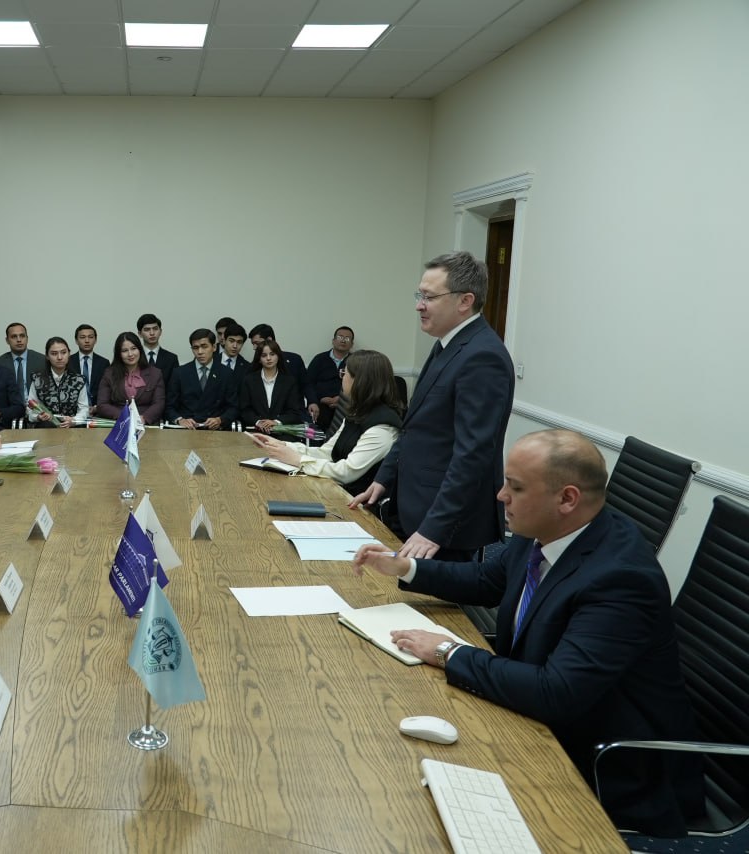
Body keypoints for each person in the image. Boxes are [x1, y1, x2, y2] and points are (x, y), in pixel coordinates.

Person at [351, 430, 704, 837]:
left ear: (566, 499)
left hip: (611, 765)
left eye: (515, 487)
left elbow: (556, 693)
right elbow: (487, 580)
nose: (501, 495)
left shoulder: (621, 579)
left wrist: (449, 652)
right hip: (549, 717)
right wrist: (406, 567)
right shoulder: (546, 532)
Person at [350, 251, 516, 561]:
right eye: (420, 295)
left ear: (465, 301)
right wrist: (383, 479)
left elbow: (473, 453)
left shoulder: (483, 356)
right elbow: (415, 427)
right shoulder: (447, 343)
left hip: (444, 525)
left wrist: (434, 528)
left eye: (429, 297)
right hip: (414, 505)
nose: (419, 305)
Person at [250, 349, 403, 492]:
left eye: (344, 373)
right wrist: (281, 445)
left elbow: (346, 473)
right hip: (337, 490)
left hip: (356, 501)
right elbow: (327, 453)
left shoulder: (383, 427)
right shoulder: (357, 412)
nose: (342, 378)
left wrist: (297, 460)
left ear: (360, 381)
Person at [165, 328, 237, 429]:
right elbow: (169, 406)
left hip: (215, 430)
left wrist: (220, 419)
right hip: (187, 429)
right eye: (195, 348)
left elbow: (233, 407)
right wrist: (180, 420)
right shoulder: (180, 373)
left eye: (204, 346)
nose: (200, 352)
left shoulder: (226, 373)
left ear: (214, 347)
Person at [94, 331, 165, 425]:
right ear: (119, 354)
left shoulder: (155, 373)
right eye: (125, 351)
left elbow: (159, 403)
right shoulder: (109, 373)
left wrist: (143, 418)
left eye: (133, 348)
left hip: (146, 424)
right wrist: (125, 417)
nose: (130, 354)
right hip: (118, 423)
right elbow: (102, 404)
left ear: (140, 349)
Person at [239, 339, 304, 433]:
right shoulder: (249, 380)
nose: (268, 358)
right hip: (256, 429)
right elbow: (245, 410)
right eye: (264, 355)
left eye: (272, 354)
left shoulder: (289, 381)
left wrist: (276, 422)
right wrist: (258, 422)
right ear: (259, 359)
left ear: (278, 356)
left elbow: (294, 412)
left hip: (282, 431)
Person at [27, 336, 89, 427]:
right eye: (54, 354)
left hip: (71, 427)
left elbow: (84, 409)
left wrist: (74, 420)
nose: (59, 357)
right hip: (46, 427)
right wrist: (38, 417)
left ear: (69, 354)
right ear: (47, 356)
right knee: (46, 425)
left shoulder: (78, 380)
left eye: (63, 353)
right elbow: (30, 408)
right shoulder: (38, 379)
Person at [247, 323, 310, 402]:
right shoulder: (254, 366)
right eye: (253, 344)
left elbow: (306, 384)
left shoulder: (295, 360)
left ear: (269, 340)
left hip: (295, 406)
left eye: (257, 343)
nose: (254, 347)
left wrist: (312, 402)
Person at [306, 325, 354, 426]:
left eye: (347, 338)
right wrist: (314, 401)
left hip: (345, 405)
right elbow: (308, 383)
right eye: (340, 337)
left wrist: (342, 398)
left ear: (352, 344)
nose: (343, 341)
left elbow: (360, 385)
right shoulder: (319, 359)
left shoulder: (356, 361)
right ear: (333, 341)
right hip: (320, 404)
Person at [0, 322, 46, 393]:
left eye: (22, 336)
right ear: (7, 340)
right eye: (14, 336)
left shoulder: (41, 360)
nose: (19, 340)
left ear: (27, 338)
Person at [136, 313, 179, 387]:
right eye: (147, 330)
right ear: (140, 334)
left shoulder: (171, 358)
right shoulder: (134, 357)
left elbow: (174, 388)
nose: (152, 333)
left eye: (155, 329)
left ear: (160, 331)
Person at [74, 323, 110, 407]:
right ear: (76, 341)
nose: (87, 341)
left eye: (90, 337)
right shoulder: (68, 362)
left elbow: (107, 389)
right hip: (74, 410)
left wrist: (97, 407)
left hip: (97, 409)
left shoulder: (104, 363)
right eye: (82, 337)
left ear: (95, 340)